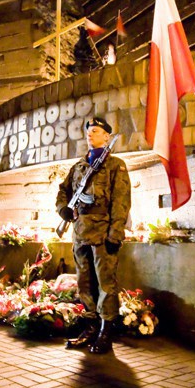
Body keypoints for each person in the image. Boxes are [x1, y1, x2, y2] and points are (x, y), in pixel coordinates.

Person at [56, 117, 131, 354]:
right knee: (84, 284)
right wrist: (63, 209)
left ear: (106, 137)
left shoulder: (115, 165)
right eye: (88, 131)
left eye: (96, 131)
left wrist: (115, 233)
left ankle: (105, 332)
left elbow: (121, 202)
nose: (90, 134)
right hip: (80, 233)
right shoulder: (78, 166)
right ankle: (90, 328)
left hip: (103, 233)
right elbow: (63, 191)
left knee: (106, 285)